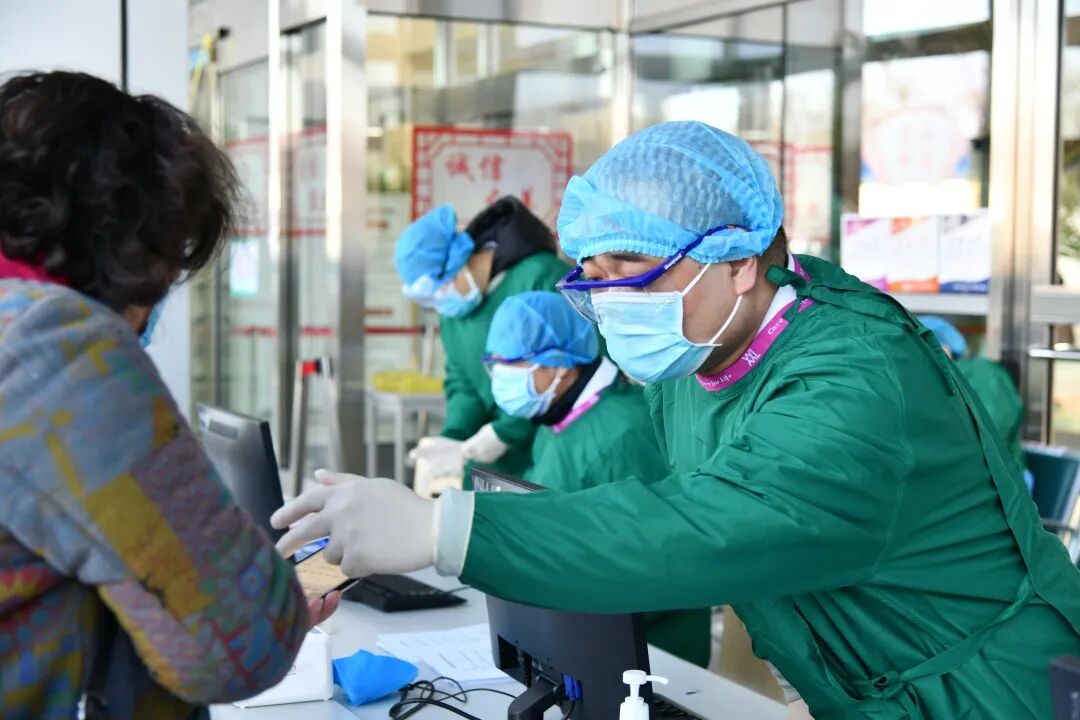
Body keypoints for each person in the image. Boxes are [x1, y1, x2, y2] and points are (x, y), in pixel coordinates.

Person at [275, 121, 1080, 720]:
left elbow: (705, 527)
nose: (611, 302)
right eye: (592, 276)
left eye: (634, 270)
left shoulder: (855, 380)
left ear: (739, 262)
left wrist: (445, 530)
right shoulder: (695, 354)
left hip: (990, 692)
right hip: (864, 683)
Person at [0, 71, 336, 720]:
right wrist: (275, 599)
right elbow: (240, 645)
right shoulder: (54, 346)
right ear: (131, 238)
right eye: (172, 257)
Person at [484, 290, 710, 666]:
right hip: (577, 631)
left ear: (560, 364)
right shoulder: (559, 417)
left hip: (650, 651)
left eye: (514, 363)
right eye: (494, 365)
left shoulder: (622, 432)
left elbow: (660, 552)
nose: (501, 377)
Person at [395, 196, 569, 481]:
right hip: (502, 463)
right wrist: (455, 434)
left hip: (555, 446)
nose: (439, 303)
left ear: (458, 260)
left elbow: (567, 370)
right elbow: (462, 380)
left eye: (439, 289)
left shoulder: (540, 277)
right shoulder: (455, 309)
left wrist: (504, 432)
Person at [919, 315, 1031, 490]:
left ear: (946, 347)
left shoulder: (982, 374)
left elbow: (990, 434)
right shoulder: (921, 383)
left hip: (997, 487)